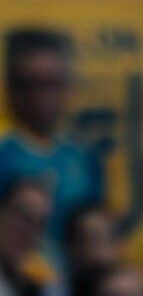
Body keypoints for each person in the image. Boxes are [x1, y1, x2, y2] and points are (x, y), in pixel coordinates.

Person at [0, 27, 107, 242]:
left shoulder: (85, 158)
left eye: (51, 83)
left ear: (69, 87)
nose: (40, 96)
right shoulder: (4, 153)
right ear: (10, 89)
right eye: (28, 84)